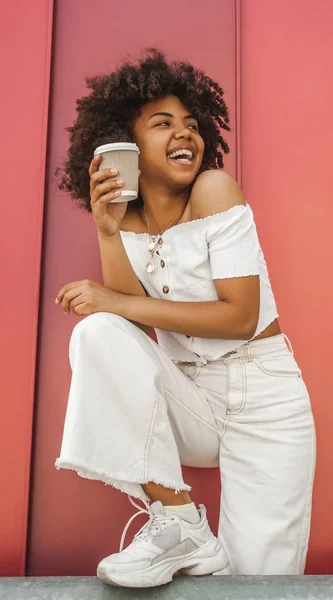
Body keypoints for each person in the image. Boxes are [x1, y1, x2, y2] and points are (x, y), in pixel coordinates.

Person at [54, 48, 316, 589]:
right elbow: (123, 325)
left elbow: (241, 317)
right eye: (163, 124)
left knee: (258, 583)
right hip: (190, 397)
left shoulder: (214, 189)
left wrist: (114, 299)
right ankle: (178, 520)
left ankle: (201, 540)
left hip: (265, 401)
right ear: (126, 143)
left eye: (192, 125)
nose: (186, 135)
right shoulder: (125, 216)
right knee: (98, 332)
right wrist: (107, 231)